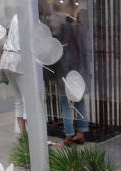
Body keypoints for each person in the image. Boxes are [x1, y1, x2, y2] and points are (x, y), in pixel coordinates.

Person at [51, 7, 90, 146]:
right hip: (78, 69)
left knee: (65, 103)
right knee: (79, 101)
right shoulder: (81, 29)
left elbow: (55, 49)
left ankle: (69, 135)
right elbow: (85, 52)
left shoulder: (61, 28)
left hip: (63, 69)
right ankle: (81, 133)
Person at [0, 15, 26, 133]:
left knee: (18, 98)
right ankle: (30, 135)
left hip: (7, 57)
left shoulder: (16, 16)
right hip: (18, 59)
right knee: (26, 99)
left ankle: (22, 133)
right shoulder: (31, 16)